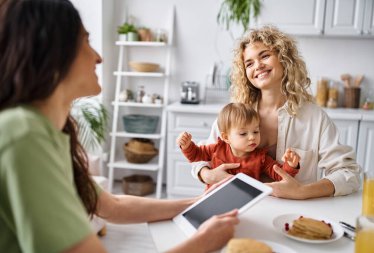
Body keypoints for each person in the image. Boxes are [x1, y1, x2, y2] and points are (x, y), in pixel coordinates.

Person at [0, 1, 239, 253]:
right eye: (85, 41)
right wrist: (203, 242)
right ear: (52, 51)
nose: (99, 57)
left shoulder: (49, 132)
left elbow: (112, 205)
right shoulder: (24, 134)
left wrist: (199, 203)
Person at [191, 26, 361, 199]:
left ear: (284, 59)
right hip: (236, 206)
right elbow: (202, 156)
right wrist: (207, 175)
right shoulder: (236, 112)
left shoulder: (314, 117)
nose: (258, 66)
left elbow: (348, 174)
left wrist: (302, 191)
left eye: (265, 56)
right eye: (249, 63)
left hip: (290, 214)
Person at [177, 103, 301, 189]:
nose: (252, 137)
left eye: (256, 132)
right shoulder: (217, 148)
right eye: (243, 133)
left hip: (246, 203)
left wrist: (290, 165)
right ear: (226, 137)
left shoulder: (261, 158)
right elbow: (196, 155)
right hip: (214, 199)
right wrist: (187, 146)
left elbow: (280, 175)